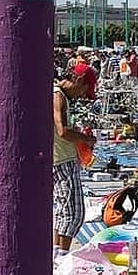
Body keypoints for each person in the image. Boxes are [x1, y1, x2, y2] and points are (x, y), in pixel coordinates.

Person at [53, 63, 97, 252]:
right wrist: (84, 139)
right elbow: (62, 131)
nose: (82, 95)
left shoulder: (59, 95)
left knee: (63, 212)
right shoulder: (58, 97)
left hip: (62, 157)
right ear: (79, 81)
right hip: (62, 160)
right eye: (84, 90)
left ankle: (56, 254)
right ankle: (61, 256)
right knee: (74, 213)